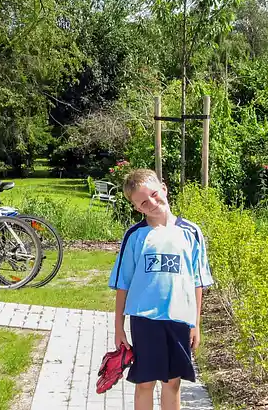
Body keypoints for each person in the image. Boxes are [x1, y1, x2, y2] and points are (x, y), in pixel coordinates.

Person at [108, 168, 214, 410]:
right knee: (145, 382)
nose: (152, 203)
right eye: (144, 202)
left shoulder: (191, 232)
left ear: (164, 189)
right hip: (145, 319)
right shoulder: (135, 236)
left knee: (173, 382)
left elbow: (197, 281)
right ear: (137, 208)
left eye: (155, 194)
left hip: (179, 318)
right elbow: (123, 284)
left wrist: (195, 323)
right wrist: (118, 328)